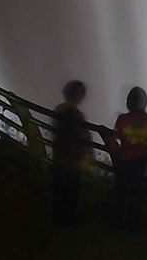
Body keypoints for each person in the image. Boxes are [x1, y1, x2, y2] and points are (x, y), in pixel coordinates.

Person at [111, 86, 147, 231]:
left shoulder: (122, 119)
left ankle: (117, 222)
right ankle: (133, 226)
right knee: (138, 196)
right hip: (141, 164)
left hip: (124, 161)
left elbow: (118, 135)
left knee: (121, 193)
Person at [51, 80, 91, 227]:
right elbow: (84, 136)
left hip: (60, 154)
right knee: (72, 189)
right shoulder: (77, 115)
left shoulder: (59, 110)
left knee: (60, 186)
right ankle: (68, 220)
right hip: (73, 159)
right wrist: (88, 153)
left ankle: (58, 217)